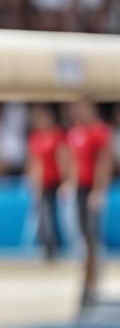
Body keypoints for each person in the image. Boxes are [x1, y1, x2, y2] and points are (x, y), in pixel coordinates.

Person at [64, 98, 113, 305]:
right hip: (80, 189)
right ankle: (87, 279)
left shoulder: (99, 131)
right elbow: (73, 161)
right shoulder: (75, 132)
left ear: (89, 107)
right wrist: (70, 183)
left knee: (92, 237)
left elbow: (105, 160)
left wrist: (99, 190)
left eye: (79, 107)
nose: (76, 111)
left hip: (92, 189)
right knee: (82, 236)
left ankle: (91, 283)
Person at [26, 105, 65, 260]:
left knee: (51, 215)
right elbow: (32, 161)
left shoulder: (57, 136)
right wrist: (32, 181)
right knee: (42, 215)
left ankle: (53, 247)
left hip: (54, 183)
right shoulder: (35, 137)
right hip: (40, 183)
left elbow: (63, 159)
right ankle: (45, 246)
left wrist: (65, 181)